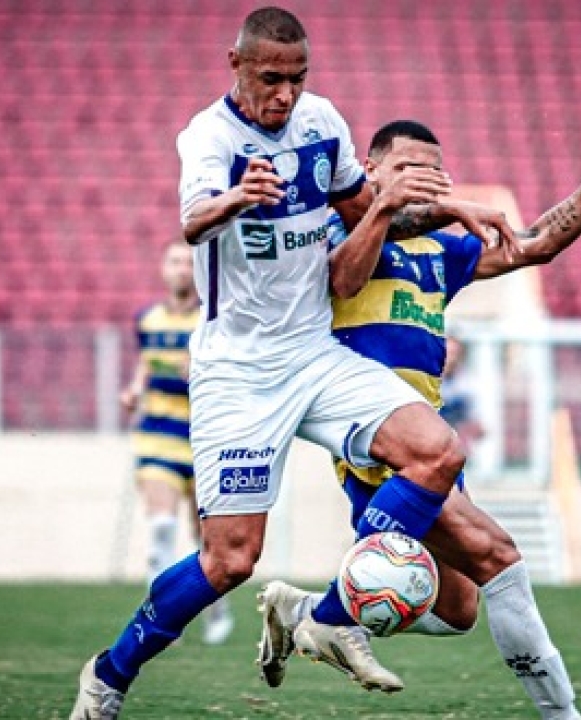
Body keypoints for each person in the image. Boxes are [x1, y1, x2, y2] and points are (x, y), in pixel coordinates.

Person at [69, 8, 514, 718]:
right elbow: (190, 221)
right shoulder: (209, 137)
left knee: (438, 451)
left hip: (315, 352)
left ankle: (333, 615)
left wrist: (456, 206)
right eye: (272, 78)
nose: (285, 93)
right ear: (235, 64)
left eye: (297, 77)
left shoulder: (322, 124)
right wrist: (236, 198)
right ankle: (110, 674)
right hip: (239, 373)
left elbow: (371, 210)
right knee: (230, 563)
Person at [257, 119, 581, 719]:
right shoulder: (339, 231)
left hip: (431, 437)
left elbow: (535, 242)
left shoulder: (442, 253)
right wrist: (398, 207)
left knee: (458, 611)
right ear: (369, 170)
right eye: (407, 170)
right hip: (378, 438)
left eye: (433, 173)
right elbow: (344, 274)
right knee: (501, 556)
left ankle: (307, 612)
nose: (422, 182)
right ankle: (563, 714)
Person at [119, 241, 233, 645]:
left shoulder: (213, 320)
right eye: (174, 261)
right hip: (157, 437)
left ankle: (215, 607)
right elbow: (146, 362)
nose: (182, 269)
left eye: (188, 262)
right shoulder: (147, 319)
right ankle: (160, 618)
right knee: (162, 527)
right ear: (163, 270)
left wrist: (203, 374)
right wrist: (134, 390)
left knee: (208, 540)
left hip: (204, 440)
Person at [439, 335, 485, 453]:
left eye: (454, 353)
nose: (450, 358)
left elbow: (478, 427)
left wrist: (472, 429)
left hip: (458, 450)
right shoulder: (427, 381)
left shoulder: (468, 384)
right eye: (447, 352)